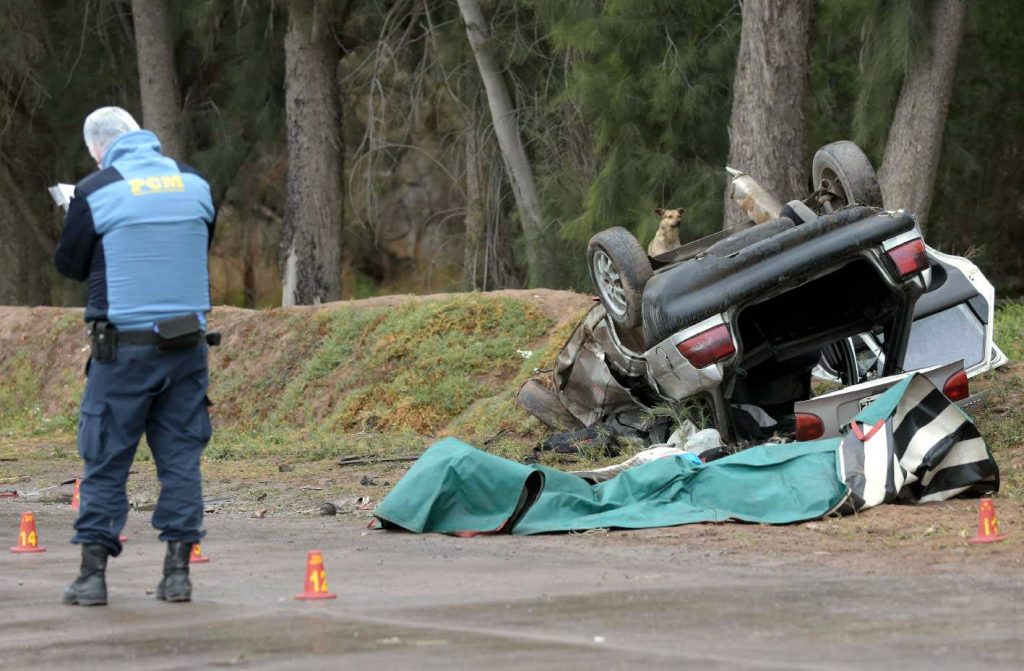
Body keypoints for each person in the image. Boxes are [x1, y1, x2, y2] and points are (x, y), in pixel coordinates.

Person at [54, 106, 217, 606]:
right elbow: (196, 243)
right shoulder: (196, 183)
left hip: (123, 352)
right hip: (187, 348)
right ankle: (177, 576)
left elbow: (70, 265)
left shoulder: (95, 191)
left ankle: (92, 578)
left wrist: (74, 212)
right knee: (181, 461)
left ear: (97, 150)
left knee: (105, 459)